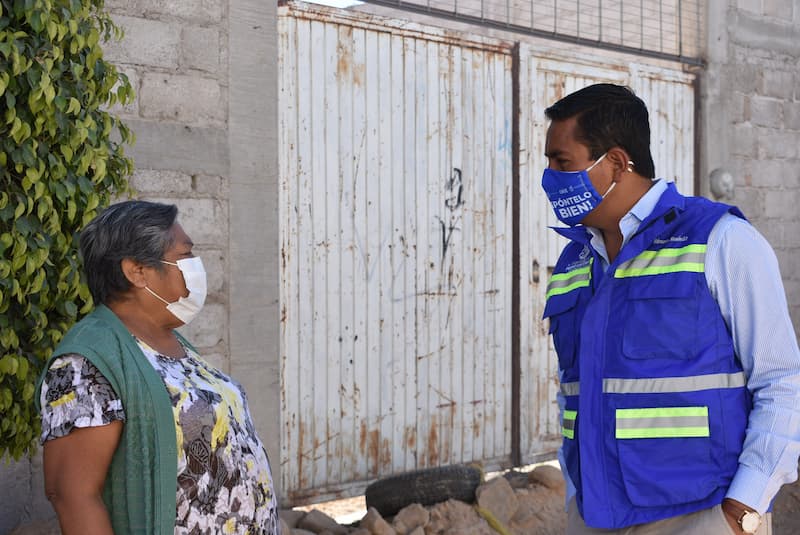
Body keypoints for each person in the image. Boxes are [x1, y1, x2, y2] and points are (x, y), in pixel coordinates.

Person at [540, 83, 800, 534]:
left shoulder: (722, 241)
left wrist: (743, 511)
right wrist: (573, 499)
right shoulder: (574, 260)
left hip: (702, 515)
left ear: (617, 164)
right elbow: (574, 391)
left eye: (562, 162)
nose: (549, 177)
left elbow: (782, 382)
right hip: (594, 516)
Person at [35, 200, 280, 534]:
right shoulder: (85, 364)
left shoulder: (173, 343)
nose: (196, 266)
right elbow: (71, 494)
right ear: (137, 271)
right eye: (185, 255)